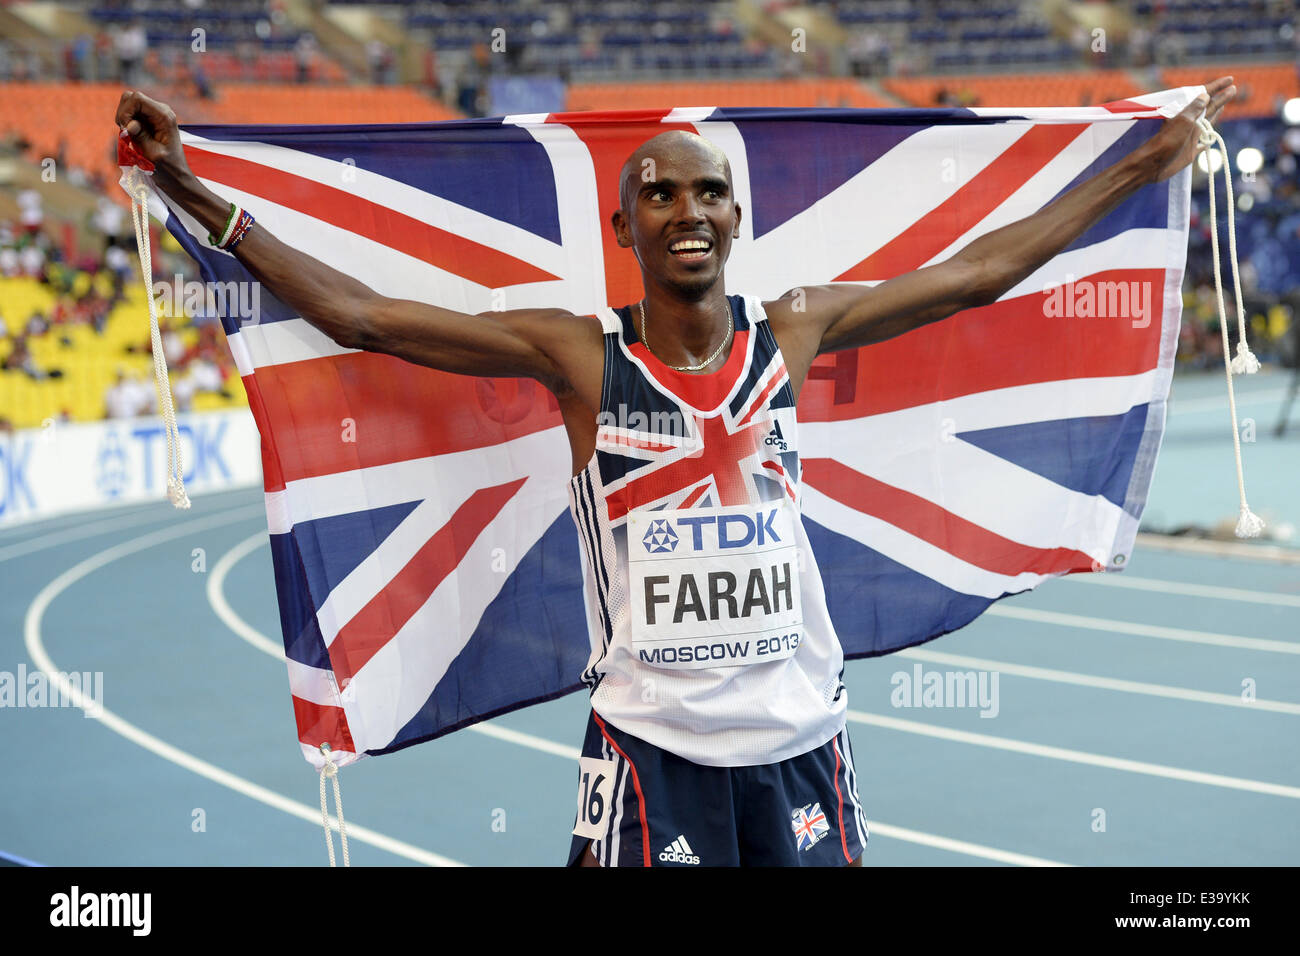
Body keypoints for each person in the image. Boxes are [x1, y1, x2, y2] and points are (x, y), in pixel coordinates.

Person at [115, 79, 1235, 866]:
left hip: (802, 739)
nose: (686, 209)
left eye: (706, 193)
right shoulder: (575, 353)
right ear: (625, 225)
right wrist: (195, 192)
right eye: (659, 193)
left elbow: (985, 267)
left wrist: (1141, 163)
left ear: (737, 218)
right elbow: (361, 315)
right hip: (655, 748)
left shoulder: (791, 329)